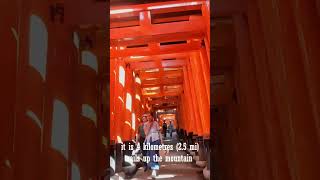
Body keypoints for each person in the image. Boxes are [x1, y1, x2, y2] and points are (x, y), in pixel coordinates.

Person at [144, 112, 163, 178]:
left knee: (156, 154)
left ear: (152, 117)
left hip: (156, 140)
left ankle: (155, 168)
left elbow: (159, 132)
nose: (149, 117)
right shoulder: (145, 124)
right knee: (152, 154)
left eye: (150, 116)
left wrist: (162, 141)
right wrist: (149, 126)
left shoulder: (156, 123)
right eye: (147, 116)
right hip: (149, 140)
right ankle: (154, 170)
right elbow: (146, 133)